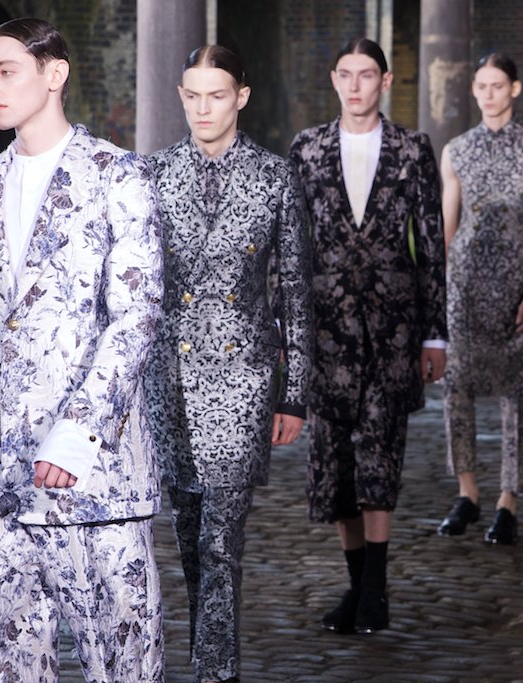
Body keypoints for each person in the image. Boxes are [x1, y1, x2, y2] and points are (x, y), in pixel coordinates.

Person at [0, 18, 165, 680]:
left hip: (92, 473)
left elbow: (136, 316)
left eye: (6, 70)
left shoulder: (119, 176)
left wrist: (78, 432)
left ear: (54, 73)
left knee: (120, 662)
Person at [146, 46, 312, 682]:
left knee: (221, 538)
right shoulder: (153, 174)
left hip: (242, 380)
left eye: (216, 95)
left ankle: (218, 672)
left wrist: (293, 393)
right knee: (189, 534)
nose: (203, 107)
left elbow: (295, 292)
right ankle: (207, 654)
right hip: (169, 379)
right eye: (192, 95)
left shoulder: (274, 178)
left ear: (240, 96)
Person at [289, 38, 446, 635]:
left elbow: (432, 246)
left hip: (392, 327)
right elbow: (291, 247)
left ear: (386, 81)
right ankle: (357, 587)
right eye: (346, 75)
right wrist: (286, 326)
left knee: (380, 455)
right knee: (335, 466)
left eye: (367, 75)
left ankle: (376, 590)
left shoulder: (412, 149)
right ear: (334, 80)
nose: (356, 86)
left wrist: (436, 334)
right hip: (326, 330)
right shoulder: (306, 149)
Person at [436, 54, 523, 545]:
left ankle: (508, 500)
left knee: (517, 394)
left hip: (518, 287)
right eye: (481, 86)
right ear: (474, 90)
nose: (489, 94)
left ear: (515, 89)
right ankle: (467, 492)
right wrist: (439, 288)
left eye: (497, 85)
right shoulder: (457, 150)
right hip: (465, 287)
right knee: (455, 389)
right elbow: (447, 227)